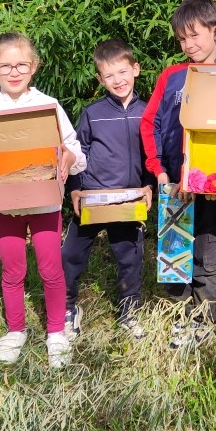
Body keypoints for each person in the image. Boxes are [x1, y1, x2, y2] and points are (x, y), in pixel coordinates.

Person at [0, 32, 85, 368]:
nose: (14, 72)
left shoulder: (48, 105)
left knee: (51, 269)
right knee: (13, 270)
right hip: (4, 204)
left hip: (44, 203)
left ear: (34, 66)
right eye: (6, 66)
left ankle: (56, 331)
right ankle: (15, 330)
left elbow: (73, 147)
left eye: (21, 64)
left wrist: (68, 159)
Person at [141, 0, 216, 349]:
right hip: (174, 182)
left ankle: (203, 317)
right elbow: (151, 124)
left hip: (213, 185)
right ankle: (179, 313)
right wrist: (159, 170)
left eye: (195, 35)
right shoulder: (172, 76)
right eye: (182, 38)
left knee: (207, 247)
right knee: (175, 249)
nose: (189, 44)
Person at [61, 39, 152, 341]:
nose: (118, 80)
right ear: (100, 79)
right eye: (109, 75)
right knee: (72, 255)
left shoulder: (148, 111)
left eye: (123, 72)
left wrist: (150, 185)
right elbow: (76, 152)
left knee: (130, 257)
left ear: (135, 69)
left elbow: (155, 154)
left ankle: (129, 311)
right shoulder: (92, 113)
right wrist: (74, 189)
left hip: (128, 200)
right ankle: (67, 309)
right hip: (92, 197)